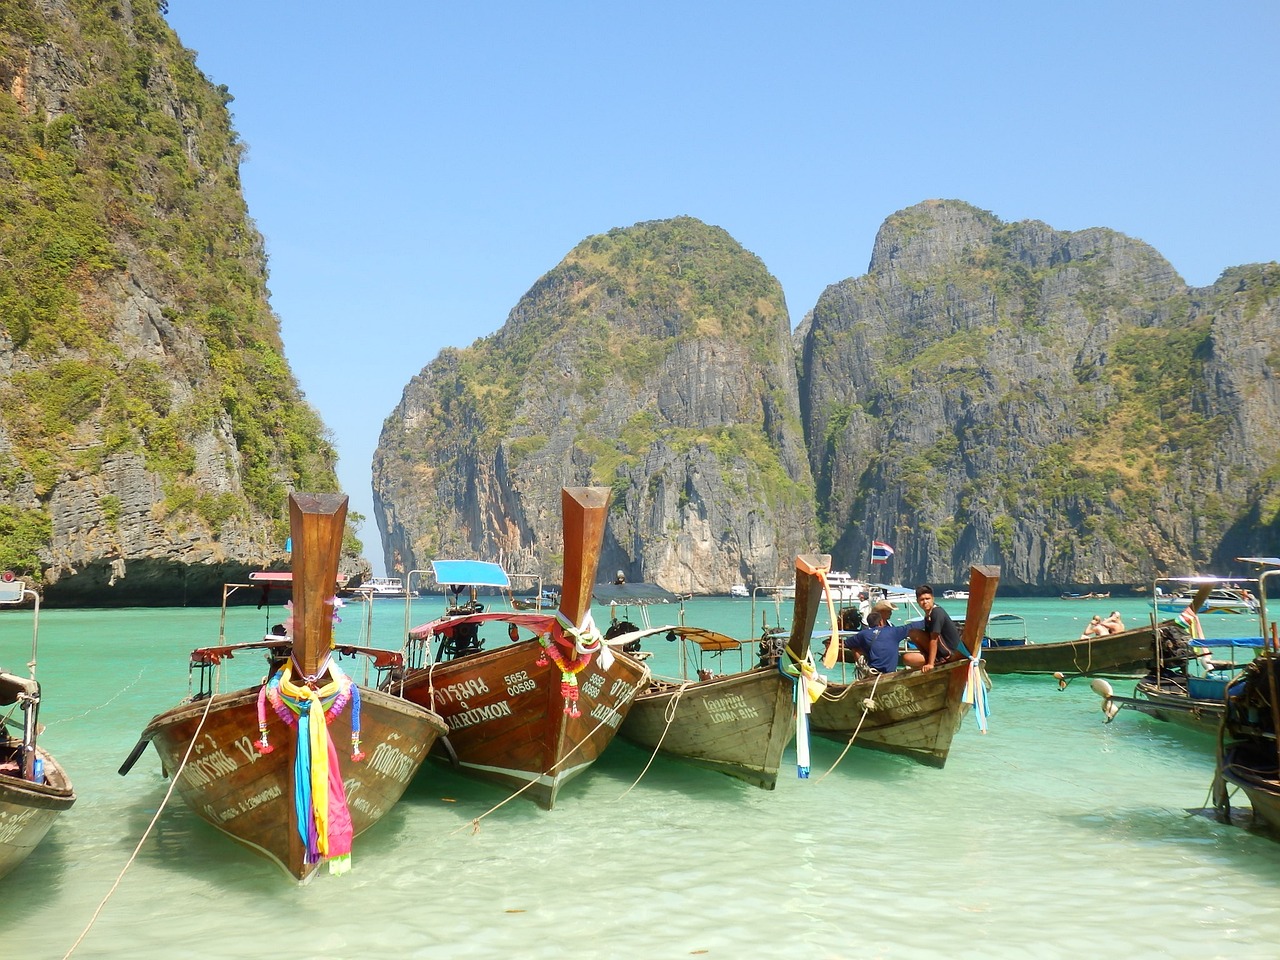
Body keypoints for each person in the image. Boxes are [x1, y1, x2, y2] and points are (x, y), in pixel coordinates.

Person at [915, 584, 961, 672]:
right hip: (940, 653)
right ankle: (930, 657)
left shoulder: (936, 613)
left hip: (950, 654)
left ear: (933, 599)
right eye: (922, 600)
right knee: (912, 633)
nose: (925, 602)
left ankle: (935, 661)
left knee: (909, 658)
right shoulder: (928, 615)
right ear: (917, 601)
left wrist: (930, 664)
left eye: (927, 599)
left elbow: (934, 639)